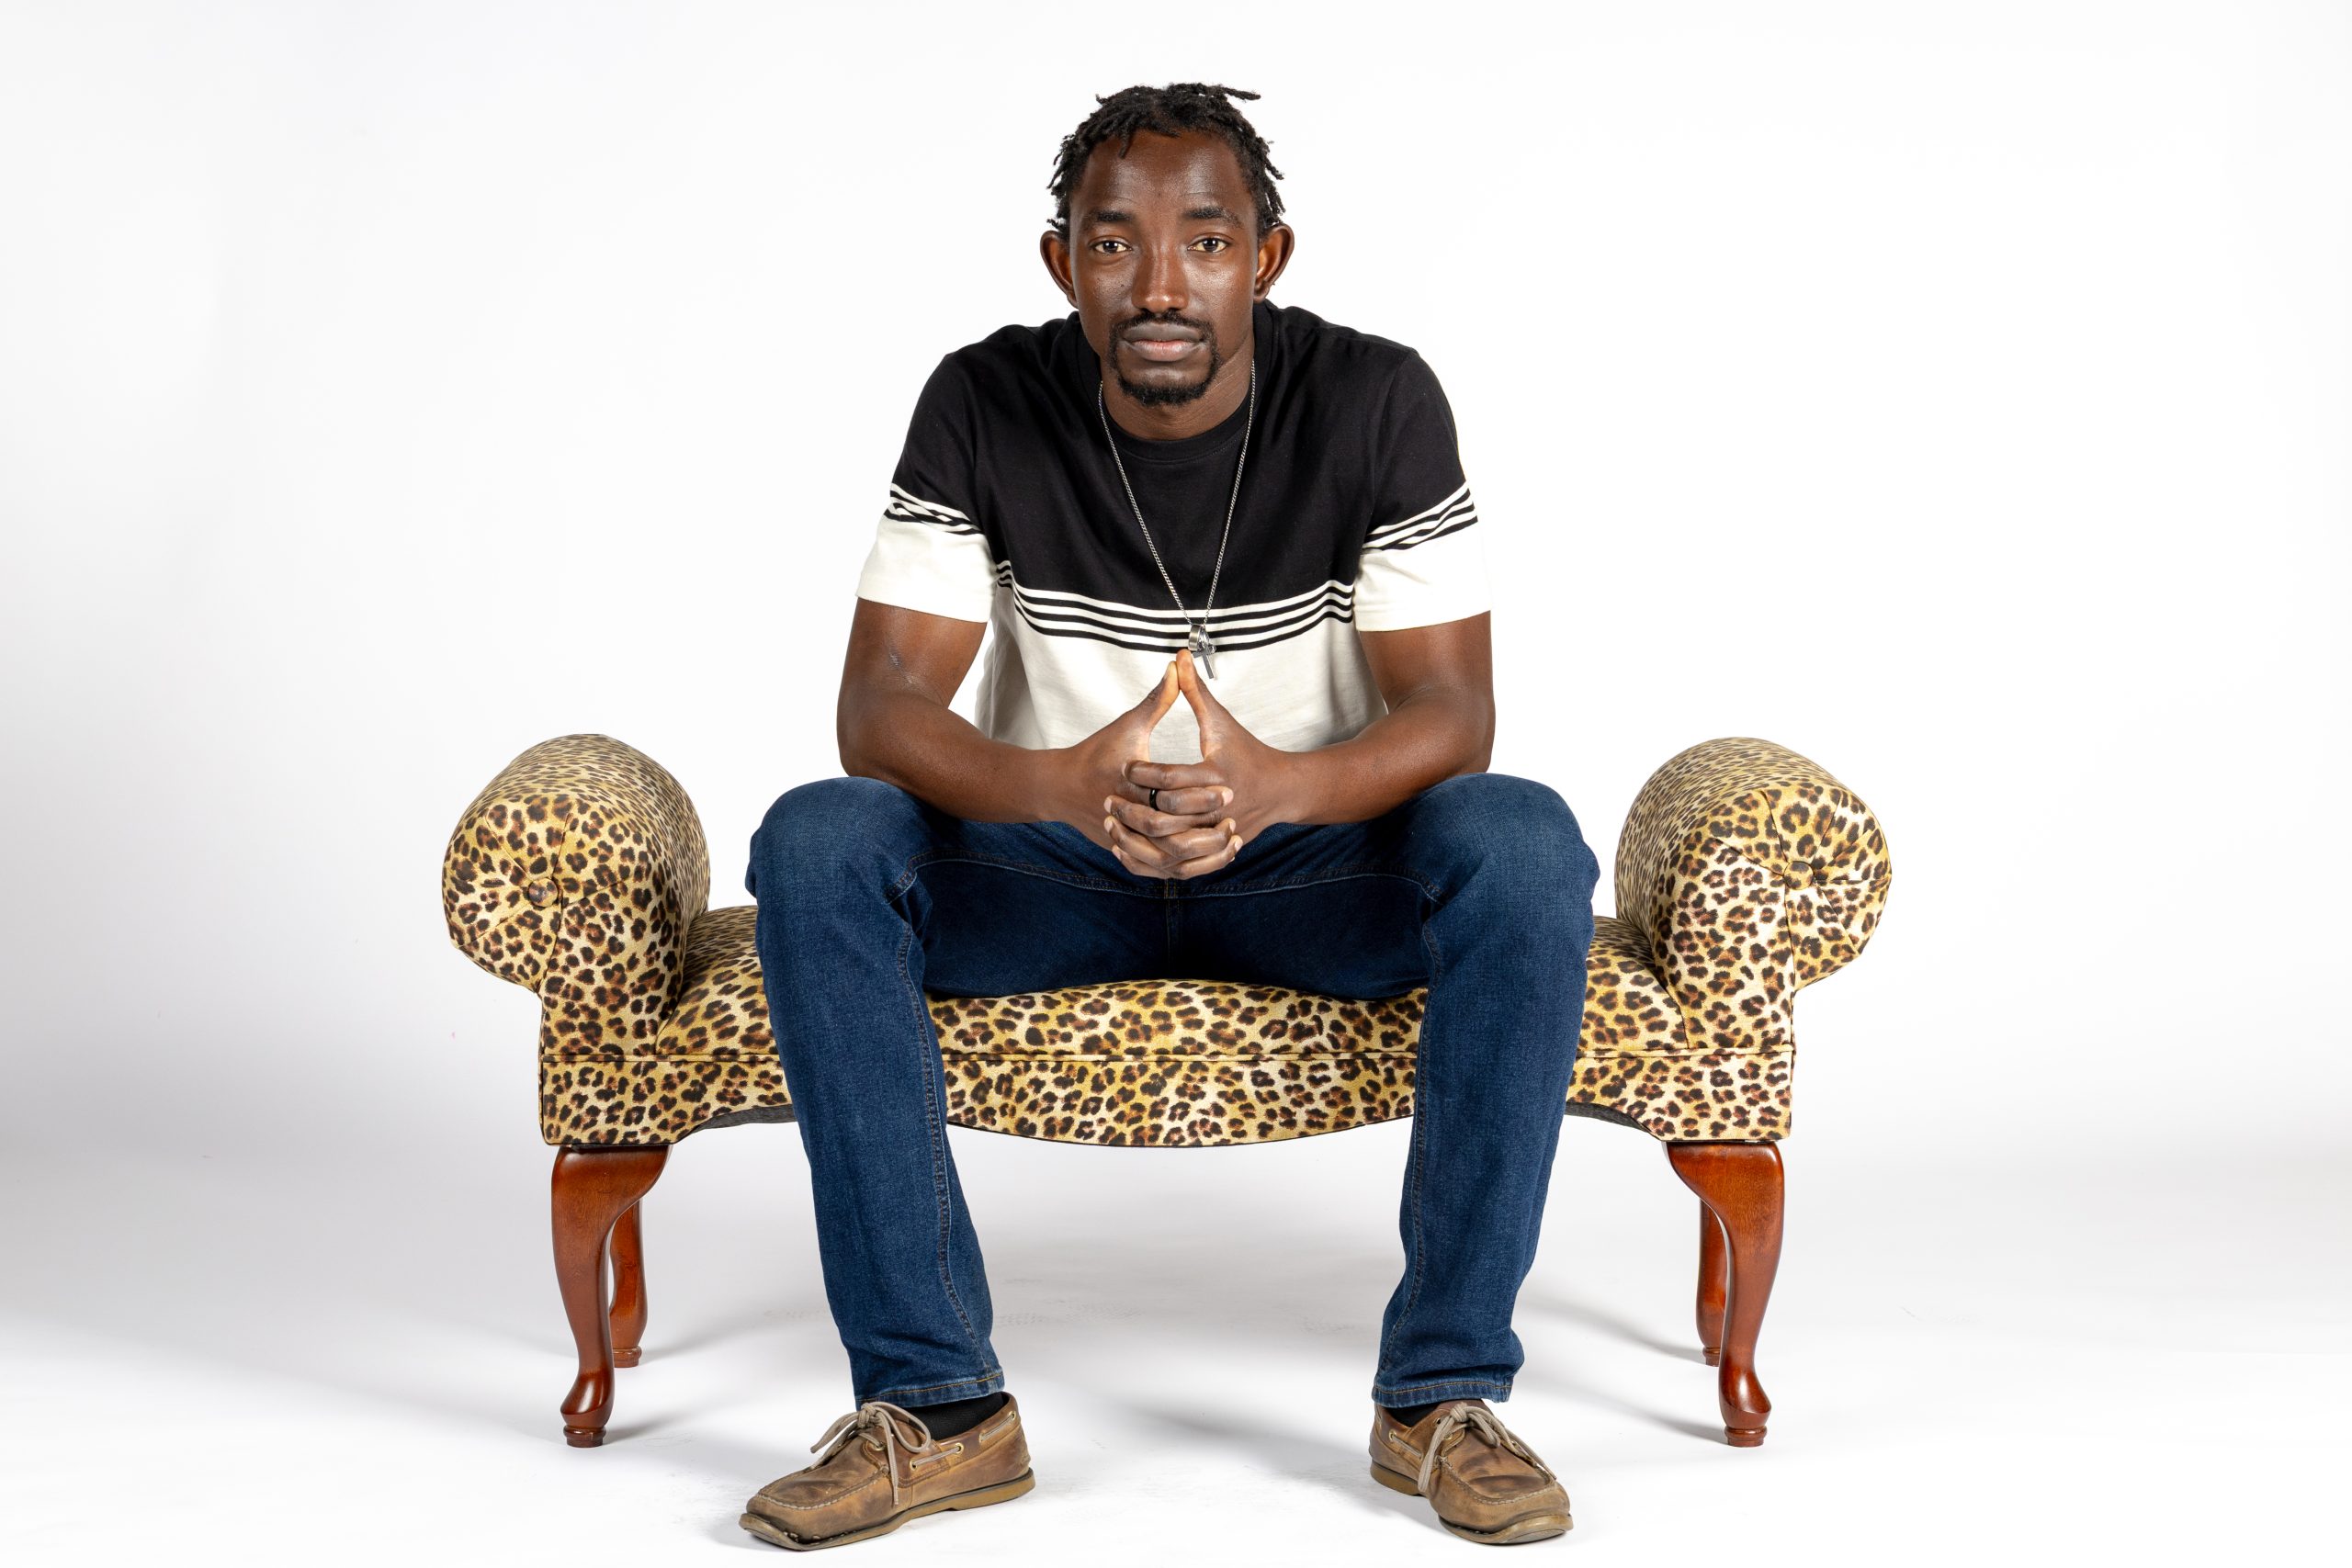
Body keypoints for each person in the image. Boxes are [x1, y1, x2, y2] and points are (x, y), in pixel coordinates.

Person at [739, 82, 1599, 1551]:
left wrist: (1277, 788)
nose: (1158, 284)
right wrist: (1063, 786)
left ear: (1266, 258)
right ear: (1060, 263)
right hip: (1057, 869)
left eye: (1204, 242)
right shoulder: (983, 399)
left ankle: (1442, 1396)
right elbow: (879, 708)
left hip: (1307, 871)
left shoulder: (1377, 399)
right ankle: (939, 1406)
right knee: (819, 836)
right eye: (1112, 242)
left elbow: (1455, 715)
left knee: (1519, 835)